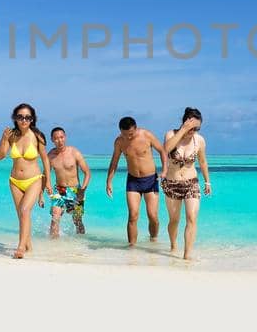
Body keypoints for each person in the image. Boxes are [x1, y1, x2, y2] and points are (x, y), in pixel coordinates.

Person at [0, 102, 48, 259]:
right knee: (22, 215)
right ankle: (28, 246)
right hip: (15, 181)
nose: (24, 120)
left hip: (34, 179)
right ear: (15, 119)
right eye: (20, 117)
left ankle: (20, 248)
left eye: (27, 117)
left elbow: (45, 160)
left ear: (32, 119)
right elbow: (0, 156)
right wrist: (4, 139)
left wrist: (48, 183)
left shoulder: (37, 136)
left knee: (25, 211)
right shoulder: (11, 136)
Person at [105, 116, 165, 246]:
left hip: (151, 180)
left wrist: (165, 171)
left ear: (135, 129)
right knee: (133, 215)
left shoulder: (146, 135)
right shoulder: (119, 142)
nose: (128, 137)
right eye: (125, 134)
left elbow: (162, 151)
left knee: (153, 216)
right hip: (133, 181)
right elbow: (114, 162)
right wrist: (109, 181)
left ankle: (153, 240)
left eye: (131, 134)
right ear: (120, 131)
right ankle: (132, 247)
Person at [161, 107, 212, 260]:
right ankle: (173, 245)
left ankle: (187, 255)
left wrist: (207, 182)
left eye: (197, 128)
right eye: (192, 127)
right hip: (172, 183)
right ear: (184, 123)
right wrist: (183, 130)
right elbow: (166, 150)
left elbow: (202, 161)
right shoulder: (171, 134)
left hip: (192, 183)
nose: (194, 131)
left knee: (191, 218)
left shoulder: (199, 140)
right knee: (174, 220)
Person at [46, 126, 91, 236]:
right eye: (56, 138)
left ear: (65, 137)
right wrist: (45, 188)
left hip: (75, 190)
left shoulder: (74, 152)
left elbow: (87, 173)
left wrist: (83, 189)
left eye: (61, 137)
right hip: (59, 190)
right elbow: (45, 174)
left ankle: (81, 245)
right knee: (55, 217)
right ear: (52, 140)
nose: (59, 141)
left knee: (77, 221)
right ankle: (53, 247)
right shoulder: (50, 156)